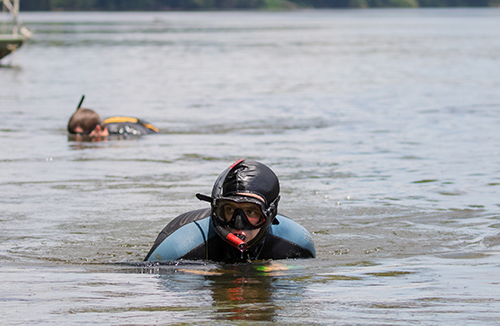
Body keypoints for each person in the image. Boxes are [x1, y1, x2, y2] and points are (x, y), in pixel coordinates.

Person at [145, 159, 316, 263]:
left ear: (270, 213)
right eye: (229, 209)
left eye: (251, 212)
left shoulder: (297, 244)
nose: (238, 223)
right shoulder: (179, 247)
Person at [67, 102, 158, 139]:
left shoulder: (123, 133)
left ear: (97, 129)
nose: (77, 138)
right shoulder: (105, 125)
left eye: (81, 134)